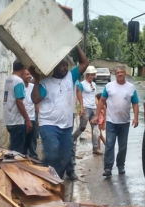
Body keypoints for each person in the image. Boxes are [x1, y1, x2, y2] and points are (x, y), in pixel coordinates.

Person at [31, 47, 89, 180]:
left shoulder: (70, 77)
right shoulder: (45, 83)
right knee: (52, 155)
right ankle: (48, 179)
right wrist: (37, 79)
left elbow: (84, 63)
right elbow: (35, 99)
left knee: (64, 156)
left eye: (66, 65)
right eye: (61, 65)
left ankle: (56, 181)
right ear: (54, 67)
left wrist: (76, 46)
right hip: (49, 125)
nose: (65, 68)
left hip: (66, 126)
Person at [92, 66, 139, 178]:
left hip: (124, 122)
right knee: (109, 145)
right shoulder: (109, 87)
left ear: (125, 73)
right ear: (115, 74)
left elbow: (135, 103)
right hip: (111, 121)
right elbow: (102, 101)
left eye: (122, 72)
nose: (120, 74)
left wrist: (136, 117)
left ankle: (120, 165)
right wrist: (97, 115)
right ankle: (108, 168)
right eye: (117, 72)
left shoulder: (131, 87)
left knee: (122, 146)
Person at [3, 60, 33, 154]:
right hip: (16, 121)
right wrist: (28, 120)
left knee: (14, 147)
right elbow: (19, 102)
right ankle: (14, 168)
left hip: (9, 119)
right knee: (18, 151)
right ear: (23, 69)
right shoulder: (18, 81)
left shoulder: (9, 79)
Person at [72, 66, 101, 154]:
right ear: (87, 75)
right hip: (86, 108)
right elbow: (78, 96)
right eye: (90, 75)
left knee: (95, 128)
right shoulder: (81, 84)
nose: (91, 77)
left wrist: (98, 108)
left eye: (93, 75)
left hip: (93, 108)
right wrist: (80, 108)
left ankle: (95, 148)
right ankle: (71, 140)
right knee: (82, 127)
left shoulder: (94, 84)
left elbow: (95, 97)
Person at [23, 69, 39, 160]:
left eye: (30, 74)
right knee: (23, 141)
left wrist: (38, 116)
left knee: (33, 138)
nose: (29, 76)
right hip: (23, 118)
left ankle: (33, 156)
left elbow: (36, 103)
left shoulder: (32, 87)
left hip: (32, 117)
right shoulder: (20, 86)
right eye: (27, 74)